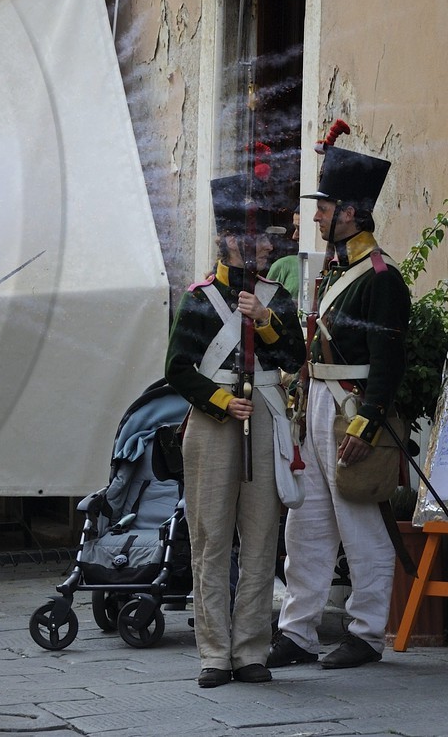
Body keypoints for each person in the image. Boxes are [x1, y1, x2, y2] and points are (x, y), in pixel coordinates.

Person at [270, 144, 411, 671]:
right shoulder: (333, 270)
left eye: (325, 208)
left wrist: (366, 424)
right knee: (304, 528)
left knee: (360, 527)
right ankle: (298, 630)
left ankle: (368, 633)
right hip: (315, 407)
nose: (316, 216)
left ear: (351, 212)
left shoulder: (381, 278)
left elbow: (387, 363)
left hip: (350, 410)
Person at [165, 173, 306, 688]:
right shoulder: (200, 298)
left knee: (262, 537)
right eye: (256, 237)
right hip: (214, 422)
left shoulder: (274, 295)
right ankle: (214, 653)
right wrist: (223, 400)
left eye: (268, 236)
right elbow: (178, 368)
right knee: (210, 538)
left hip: (265, 415)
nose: (267, 244)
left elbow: (294, 357)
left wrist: (267, 320)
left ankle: (251, 650)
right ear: (228, 240)